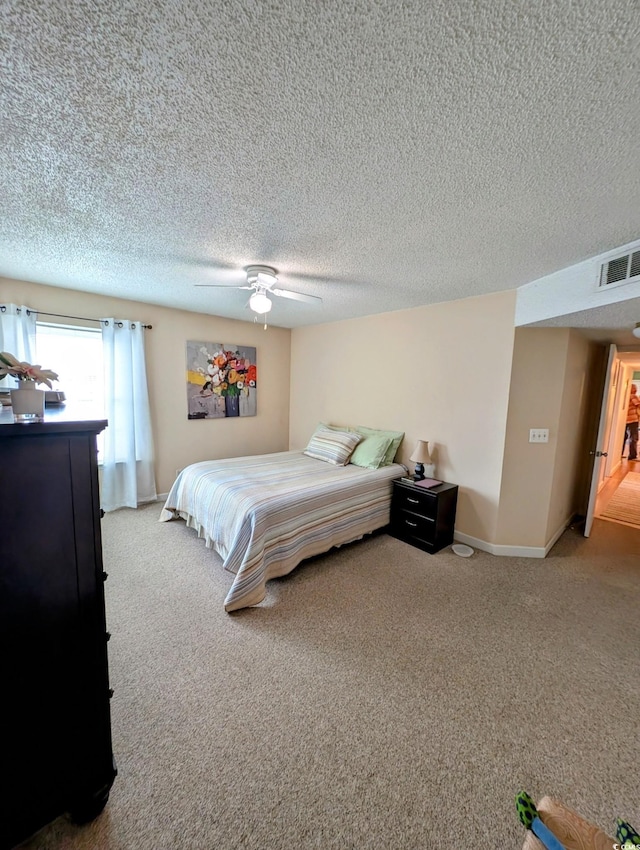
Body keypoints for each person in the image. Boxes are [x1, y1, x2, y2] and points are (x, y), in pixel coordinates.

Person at [623, 382, 640, 461]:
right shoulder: (633, 396)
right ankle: (632, 455)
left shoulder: (626, 396)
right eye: (635, 388)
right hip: (633, 419)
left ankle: (620, 453)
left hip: (627, 419)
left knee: (624, 436)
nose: (636, 389)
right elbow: (638, 404)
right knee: (634, 437)